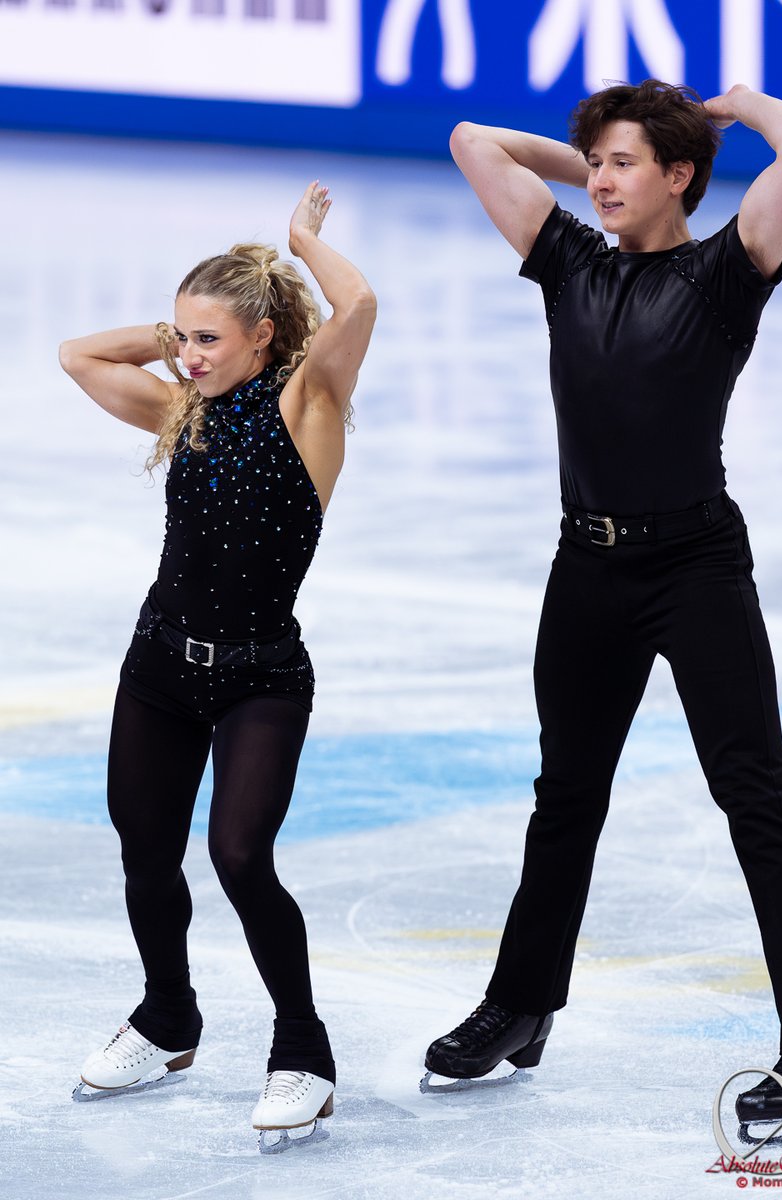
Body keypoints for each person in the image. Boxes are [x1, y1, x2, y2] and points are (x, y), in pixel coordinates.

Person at [423, 81, 782, 1124]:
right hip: (586, 569)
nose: (605, 179)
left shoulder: (728, 271)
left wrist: (731, 107)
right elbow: (472, 140)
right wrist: (605, 171)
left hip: (696, 568)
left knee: (757, 798)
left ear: (682, 178)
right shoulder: (567, 260)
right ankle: (520, 1005)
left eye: (630, 163)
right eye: (597, 164)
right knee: (563, 795)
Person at [60, 182, 376, 1149]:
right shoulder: (180, 410)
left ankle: (304, 1051)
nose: (188, 357)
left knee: (241, 855)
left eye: (209, 341)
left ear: (266, 338)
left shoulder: (308, 405)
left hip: (260, 675)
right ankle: (168, 1018)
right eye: (182, 340)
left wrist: (298, 242)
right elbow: (78, 356)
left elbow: (357, 308)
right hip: (158, 664)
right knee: (145, 850)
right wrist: (176, 335)